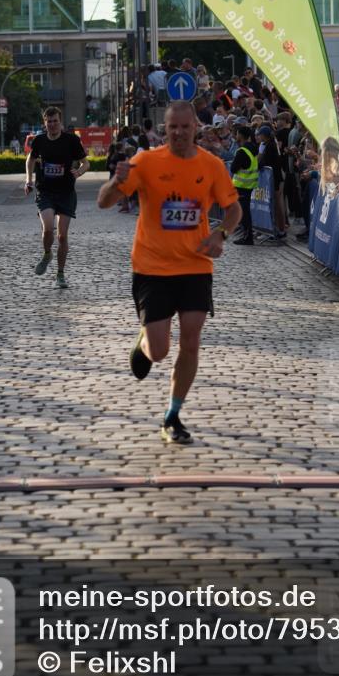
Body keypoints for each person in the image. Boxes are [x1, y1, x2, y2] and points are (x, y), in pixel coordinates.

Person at [96, 100, 242, 445]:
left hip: (195, 265)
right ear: (165, 129)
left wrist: (220, 234)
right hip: (152, 267)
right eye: (172, 127)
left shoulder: (211, 165)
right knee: (160, 350)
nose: (178, 133)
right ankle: (145, 342)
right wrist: (116, 182)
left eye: (185, 127)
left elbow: (233, 209)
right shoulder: (146, 162)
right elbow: (104, 202)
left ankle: (172, 415)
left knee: (191, 339)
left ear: (196, 128)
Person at [25, 106, 90, 289]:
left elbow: (86, 163)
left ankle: (60, 274)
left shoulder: (71, 140)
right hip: (45, 191)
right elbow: (30, 159)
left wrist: (79, 172)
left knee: (62, 237)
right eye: (49, 121)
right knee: (48, 229)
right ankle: (47, 254)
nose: (52, 125)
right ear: (44, 123)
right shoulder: (39, 140)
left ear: (60, 122)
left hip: (66, 193)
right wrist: (28, 180)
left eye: (55, 121)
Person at [230, 123, 259, 245]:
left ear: (241, 135)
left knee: (244, 213)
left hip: (242, 186)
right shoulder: (253, 148)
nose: (235, 136)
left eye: (237, 134)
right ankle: (247, 236)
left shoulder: (242, 151)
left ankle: (248, 237)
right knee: (244, 212)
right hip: (249, 185)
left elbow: (233, 168)